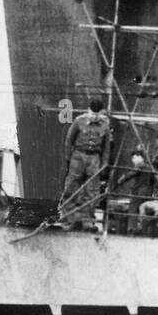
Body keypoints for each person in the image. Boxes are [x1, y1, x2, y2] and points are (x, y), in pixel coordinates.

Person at [60, 98, 112, 229]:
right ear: (88, 110)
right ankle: (69, 219)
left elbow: (106, 147)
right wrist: (68, 160)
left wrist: (104, 164)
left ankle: (87, 220)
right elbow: (68, 141)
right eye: (92, 113)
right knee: (71, 188)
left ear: (101, 113)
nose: (94, 117)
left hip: (94, 158)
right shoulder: (79, 121)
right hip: (78, 156)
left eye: (97, 114)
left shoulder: (105, 124)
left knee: (92, 191)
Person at [111, 149, 154, 234]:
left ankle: (132, 229)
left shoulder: (140, 166)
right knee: (144, 211)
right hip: (148, 192)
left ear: (140, 157)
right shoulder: (149, 167)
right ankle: (143, 230)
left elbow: (130, 174)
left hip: (138, 191)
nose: (132, 160)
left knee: (133, 209)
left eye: (134, 158)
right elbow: (153, 180)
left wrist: (118, 182)